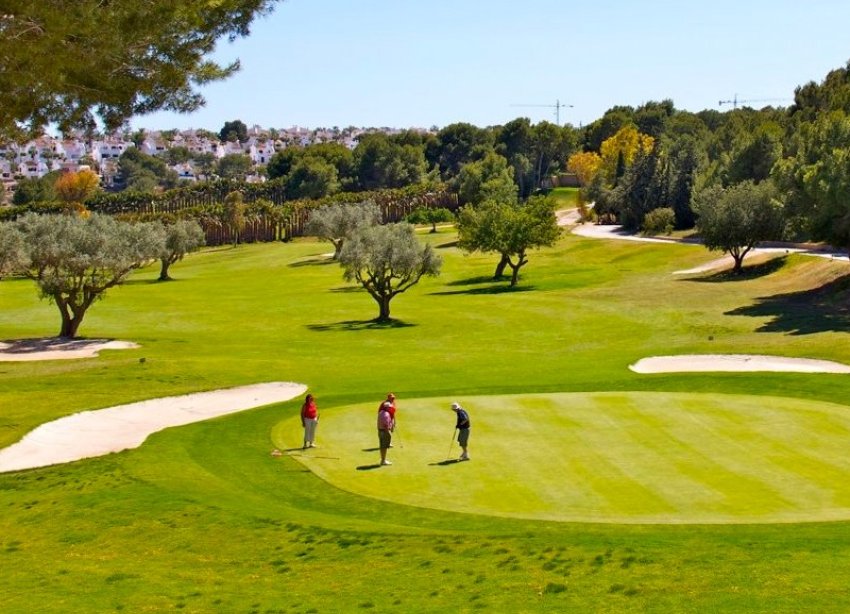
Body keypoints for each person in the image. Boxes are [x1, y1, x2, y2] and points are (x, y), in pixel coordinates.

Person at [377, 400, 395, 465]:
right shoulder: (386, 414)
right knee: (384, 447)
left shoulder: (380, 412)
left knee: (382, 446)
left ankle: (382, 460)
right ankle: (383, 461)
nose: (390, 408)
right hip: (384, 432)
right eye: (389, 407)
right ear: (387, 408)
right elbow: (386, 426)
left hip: (380, 431)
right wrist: (388, 434)